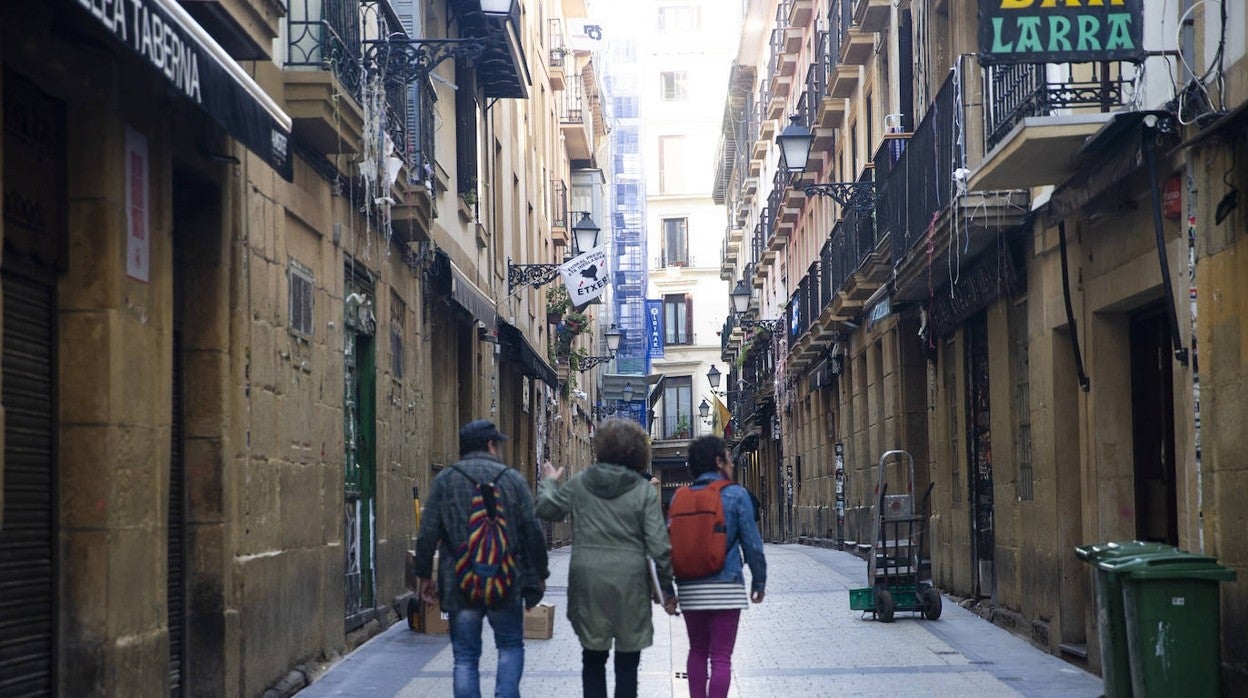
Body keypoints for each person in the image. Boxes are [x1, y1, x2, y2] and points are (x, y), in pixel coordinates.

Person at [535, 418, 678, 698]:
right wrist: (667, 589)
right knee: (627, 664)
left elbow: (547, 509)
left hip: (588, 580)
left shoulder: (580, 483)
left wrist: (550, 484)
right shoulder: (642, 491)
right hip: (630, 582)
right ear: (638, 453)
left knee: (593, 659)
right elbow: (659, 546)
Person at [413, 419, 549, 698]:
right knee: (510, 646)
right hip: (506, 582)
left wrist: (424, 574)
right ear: (490, 445)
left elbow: (427, 533)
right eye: (497, 444)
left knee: (464, 657)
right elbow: (532, 532)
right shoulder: (513, 480)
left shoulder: (445, 480)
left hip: (460, 582)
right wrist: (540, 575)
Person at [675, 435, 766, 698]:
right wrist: (759, 582)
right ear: (718, 461)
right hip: (727, 587)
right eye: (728, 457)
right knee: (721, 658)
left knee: (697, 650)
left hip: (691, 589)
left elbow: (669, 544)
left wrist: (669, 592)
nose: (732, 463)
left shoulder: (682, 497)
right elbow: (753, 545)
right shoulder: (737, 495)